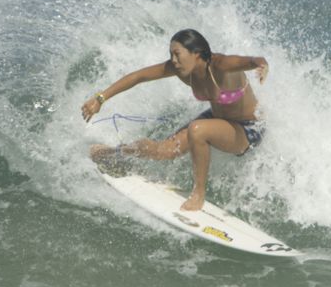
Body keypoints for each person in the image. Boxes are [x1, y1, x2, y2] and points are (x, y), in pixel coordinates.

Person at [81, 29, 269, 211]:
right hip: (217, 119)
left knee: (197, 129)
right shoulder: (181, 70)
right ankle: (117, 153)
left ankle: (198, 194)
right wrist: (100, 98)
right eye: (171, 54)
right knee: (163, 150)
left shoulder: (220, 65)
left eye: (177, 54)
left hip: (248, 129)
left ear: (196, 53)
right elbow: (139, 76)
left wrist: (261, 66)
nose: (173, 60)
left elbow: (253, 60)